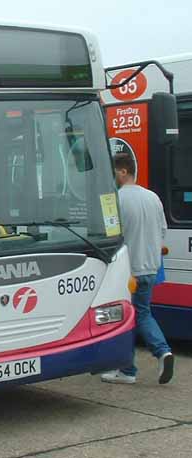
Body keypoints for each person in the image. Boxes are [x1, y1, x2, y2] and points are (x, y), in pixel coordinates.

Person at [101, 152, 174, 385]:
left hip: (126, 271)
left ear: (123, 171)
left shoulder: (115, 200)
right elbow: (162, 231)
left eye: (114, 172)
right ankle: (163, 352)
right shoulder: (153, 197)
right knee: (143, 313)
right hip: (150, 268)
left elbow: (110, 236)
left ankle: (127, 370)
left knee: (122, 318)